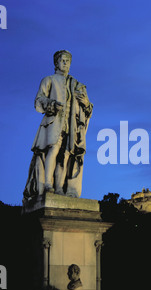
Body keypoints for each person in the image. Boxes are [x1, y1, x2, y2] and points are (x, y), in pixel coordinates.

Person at [24, 50, 93, 199]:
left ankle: (60, 188)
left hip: (71, 124)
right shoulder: (48, 80)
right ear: (56, 63)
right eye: (63, 60)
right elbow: (38, 101)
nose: (66, 64)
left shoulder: (76, 84)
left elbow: (88, 109)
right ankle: (48, 184)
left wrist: (86, 103)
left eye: (68, 61)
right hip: (53, 122)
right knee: (53, 150)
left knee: (65, 156)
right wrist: (52, 104)